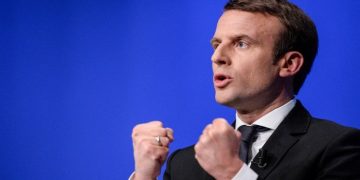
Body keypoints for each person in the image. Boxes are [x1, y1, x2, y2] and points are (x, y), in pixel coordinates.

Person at [131, 0, 360, 179]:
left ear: (289, 64)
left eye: (241, 43)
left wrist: (233, 173)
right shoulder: (184, 163)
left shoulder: (339, 148)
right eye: (216, 44)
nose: (217, 57)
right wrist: (144, 175)